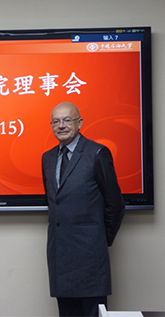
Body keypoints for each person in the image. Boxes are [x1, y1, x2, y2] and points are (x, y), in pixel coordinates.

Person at [41, 102, 125, 317]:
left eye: (67, 120)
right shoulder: (47, 158)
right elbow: (55, 201)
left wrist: (99, 238)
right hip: (60, 254)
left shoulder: (97, 153)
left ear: (80, 123)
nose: (61, 125)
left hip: (90, 255)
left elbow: (115, 204)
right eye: (56, 121)